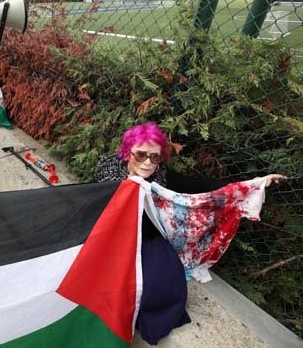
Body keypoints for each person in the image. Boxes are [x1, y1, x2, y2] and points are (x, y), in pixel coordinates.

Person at [93, 122, 286, 344]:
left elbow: (199, 186)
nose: (147, 163)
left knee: (165, 285)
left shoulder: (162, 176)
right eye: (140, 155)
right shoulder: (108, 171)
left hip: (148, 238)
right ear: (128, 152)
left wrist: (255, 184)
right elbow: (91, 204)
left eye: (154, 157)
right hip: (113, 238)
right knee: (114, 282)